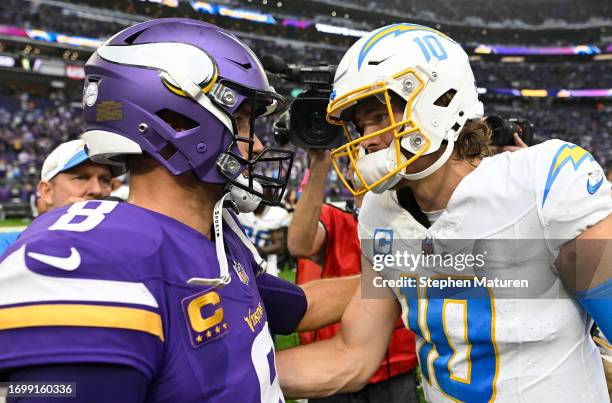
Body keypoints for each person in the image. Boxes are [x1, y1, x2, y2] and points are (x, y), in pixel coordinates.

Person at [0, 19, 351, 402]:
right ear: (175, 120)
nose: (255, 147)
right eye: (243, 119)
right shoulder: (96, 261)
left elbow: (304, 306)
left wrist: (412, 269)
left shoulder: (218, 237)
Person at [277, 23, 611, 402]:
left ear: (440, 99)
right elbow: (352, 356)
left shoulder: (543, 182)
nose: (367, 139)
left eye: (380, 116)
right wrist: (227, 372)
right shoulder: (377, 214)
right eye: (359, 125)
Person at [288, 148, 418, 403]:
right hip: (334, 367)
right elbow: (300, 244)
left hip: (396, 367)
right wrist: (319, 166)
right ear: (348, 171)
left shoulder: (409, 217)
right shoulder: (334, 217)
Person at [0, 139, 113, 256]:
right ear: (47, 192)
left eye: (104, 180)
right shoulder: (5, 246)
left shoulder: (121, 245)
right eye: (81, 178)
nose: (97, 190)